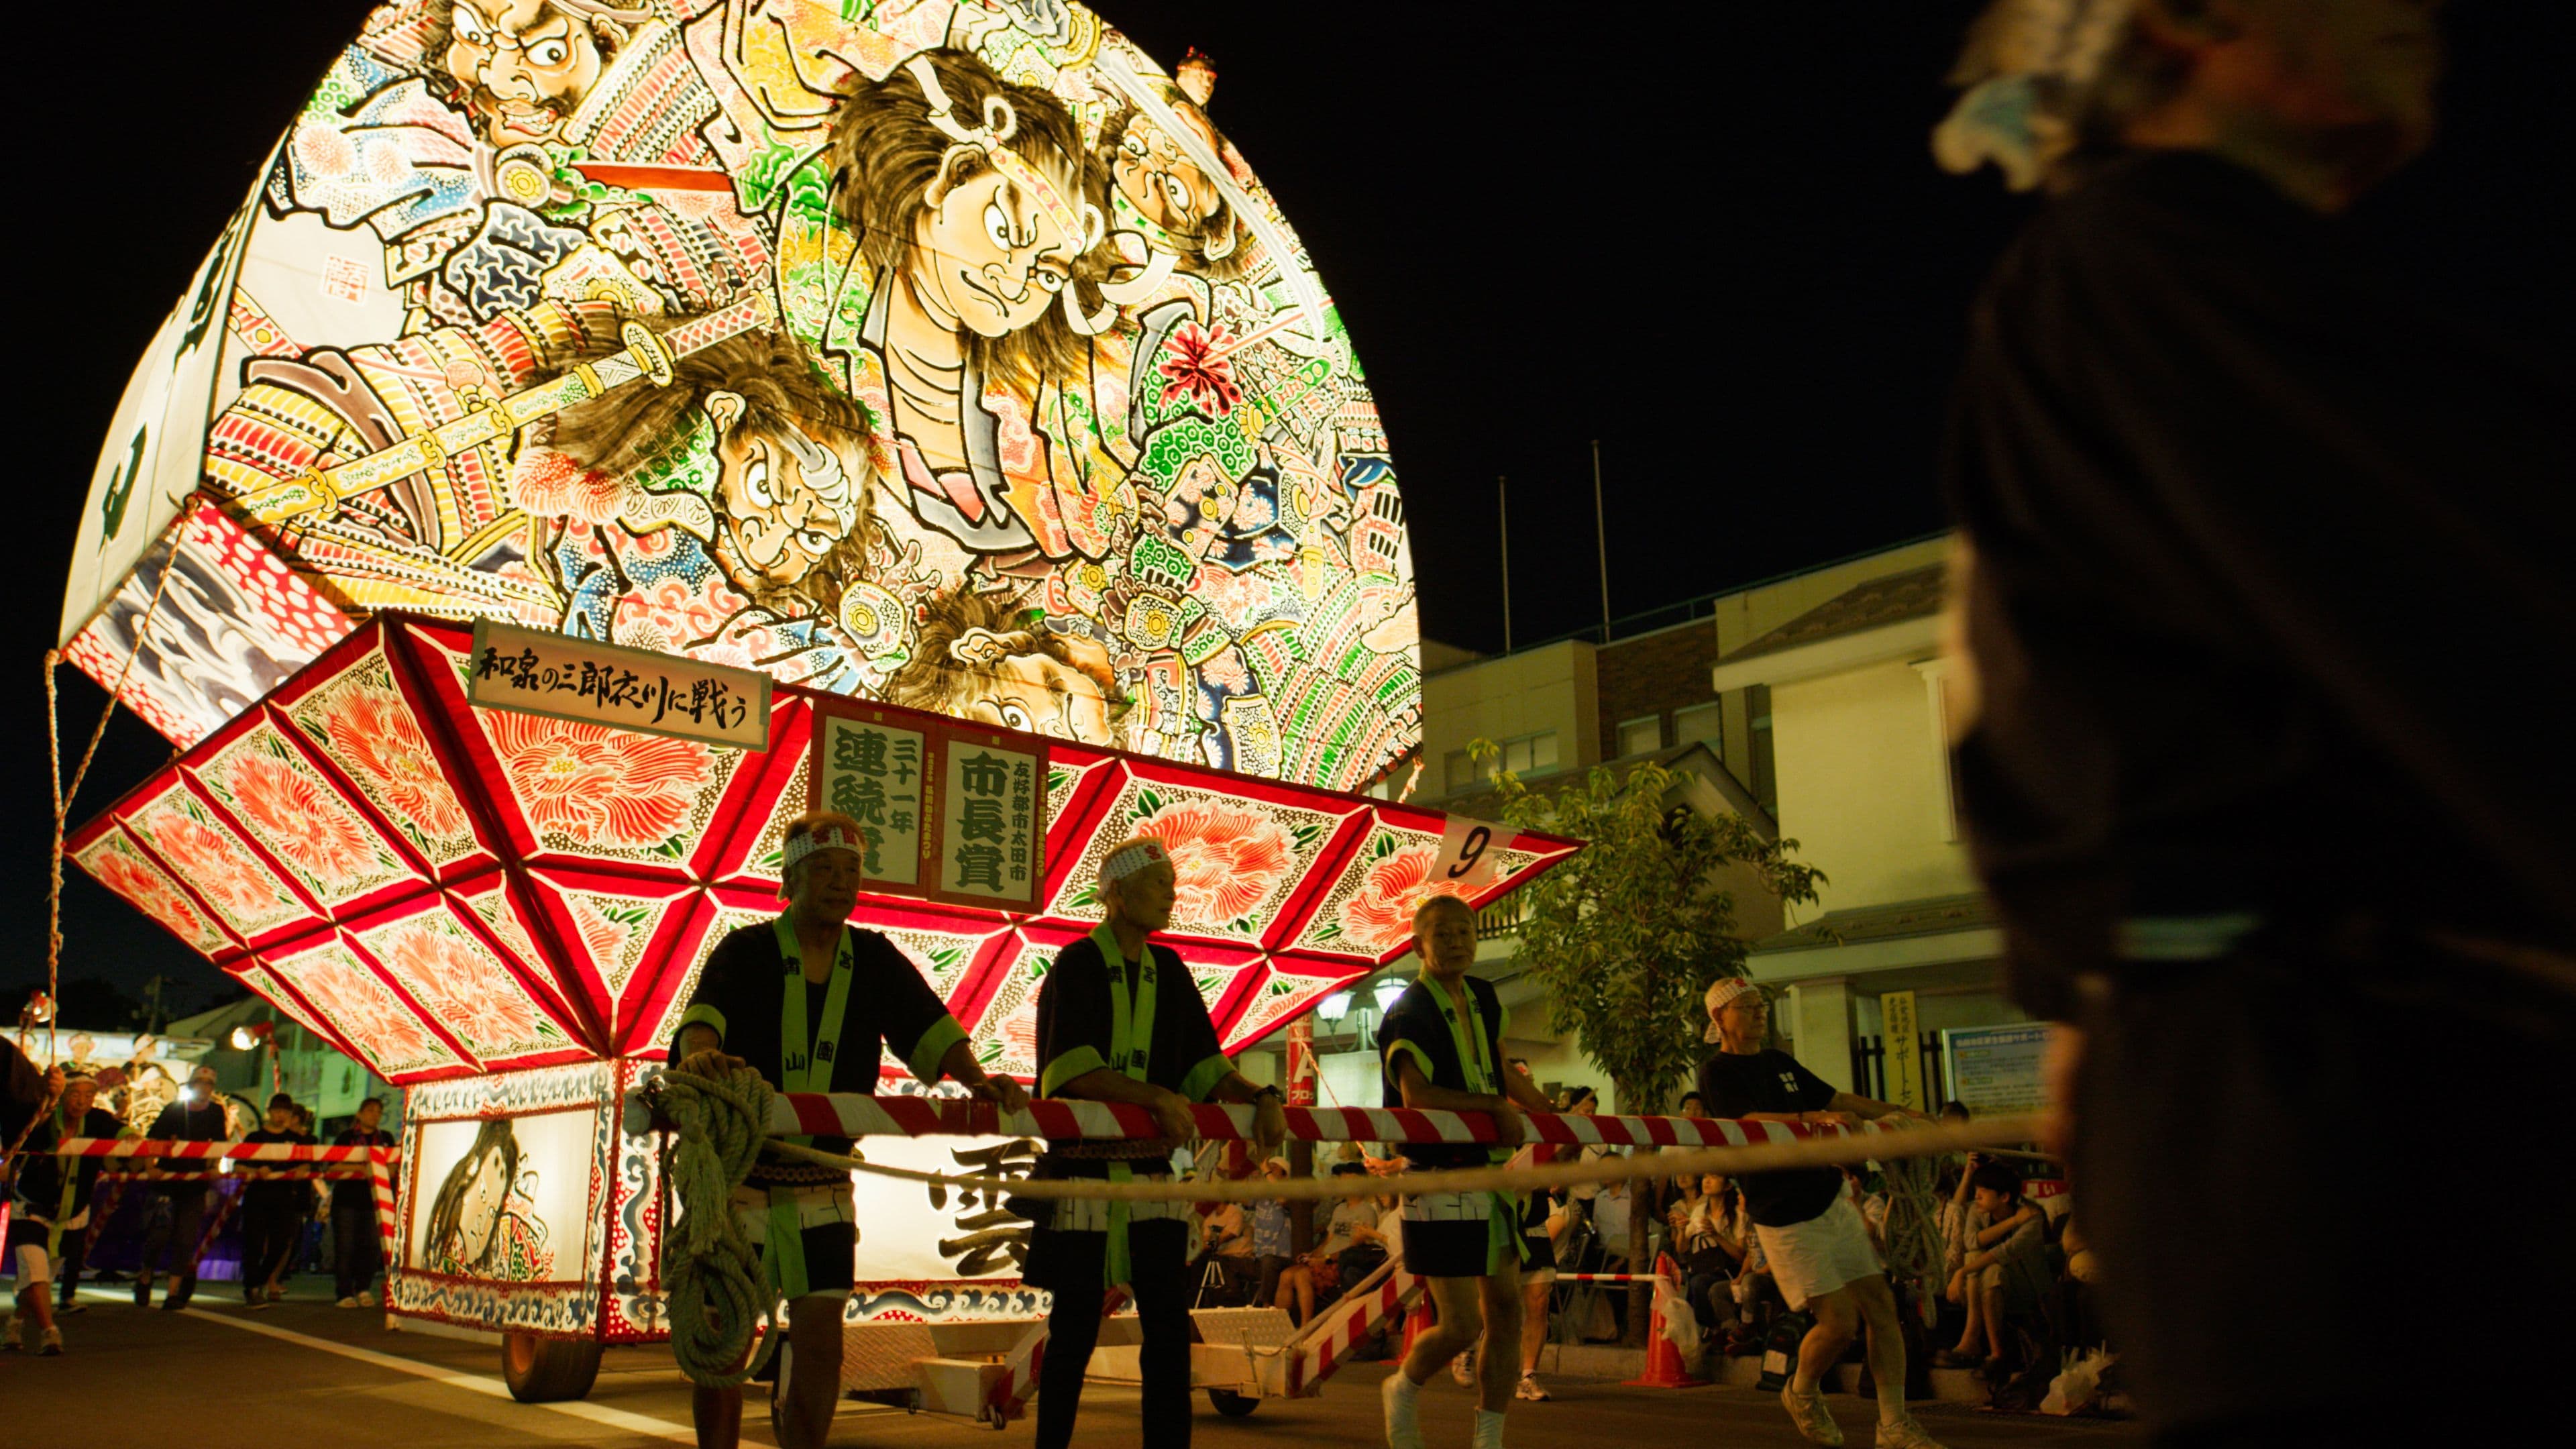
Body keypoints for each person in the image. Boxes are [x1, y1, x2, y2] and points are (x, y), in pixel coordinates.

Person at [1933, 3, 2573, 1444]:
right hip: (2383, 1153)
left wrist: (2091, 1002)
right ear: (2191, 18)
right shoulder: (2158, 261)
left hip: (2276, 1140)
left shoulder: (2114, 284)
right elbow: (2473, 626)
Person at [671, 810, 1028, 1449]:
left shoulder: (874, 958)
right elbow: (707, 1018)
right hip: (744, 1182)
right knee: (724, 1344)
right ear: (790, 877)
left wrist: (977, 1080)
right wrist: (700, 1053)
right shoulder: (746, 950)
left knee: (820, 1345)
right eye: (824, 869)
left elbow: (926, 1024)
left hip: (825, 1186)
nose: (841, 882)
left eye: (852, 870)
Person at [1022, 837, 1287, 1449]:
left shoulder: (1168, 969)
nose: (1172, 894)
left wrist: (1258, 1097)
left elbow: (1204, 1065)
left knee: (1168, 1330)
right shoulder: (1077, 963)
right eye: (1159, 882)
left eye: (1173, 883)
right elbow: (1070, 1070)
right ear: (1115, 893)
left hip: (1151, 1176)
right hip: (1085, 1175)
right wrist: (1156, 1097)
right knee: (1074, 1330)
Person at [1698, 977, 1943, 1448]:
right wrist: (1806, 1120)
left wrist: (1902, 1114)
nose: (1759, 1014)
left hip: (1828, 1197)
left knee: (1881, 1308)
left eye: (1762, 1006)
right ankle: (1801, 1390)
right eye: (1747, 1007)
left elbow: (1839, 1101)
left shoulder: (1780, 1063)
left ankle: (1893, 1425)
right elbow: (1745, 1123)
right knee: (1839, 1323)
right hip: (1781, 1213)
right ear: (1719, 1019)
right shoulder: (1718, 1073)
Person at [1379, 894, 1559, 1449]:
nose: (1457, 941)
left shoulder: (1483, 995)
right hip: (1437, 1176)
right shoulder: (1407, 1011)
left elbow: (1500, 1068)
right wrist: (1494, 1108)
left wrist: (1548, 1114)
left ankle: (1490, 1435)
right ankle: (1403, 1388)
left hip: (1491, 1176)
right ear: (1419, 945)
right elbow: (1417, 1094)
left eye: (1465, 931)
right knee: (1460, 1324)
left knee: (1504, 1310)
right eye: (1443, 933)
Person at [6, 1069, 121, 1354]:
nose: (81, 1102)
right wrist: (49, 1100)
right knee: (36, 1275)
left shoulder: (98, 1121)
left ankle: (14, 1323)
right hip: (31, 1207)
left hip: (71, 1214)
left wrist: (133, 1139)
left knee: (40, 1281)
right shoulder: (42, 1117)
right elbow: (26, 1135)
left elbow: (122, 1131)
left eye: (88, 1095)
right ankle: (50, 1333)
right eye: (74, 1094)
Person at [1933, 1163, 2049, 1374]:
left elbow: (2006, 1251)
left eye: (1983, 1192)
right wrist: (2013, 1221)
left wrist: (1962, 1272)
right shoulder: (1979, 1212)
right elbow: (1970, 1241)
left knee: (1988, 1266)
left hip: (2027, 1291)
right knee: (1982, 1262)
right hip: (1988, 1289)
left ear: (2004, 1197)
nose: (1976, 1197)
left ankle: (1971, 1340)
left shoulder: (2032, 1216)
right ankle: (1995, 1352)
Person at [136, 1063, 230, 1310]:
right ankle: (146, 1275)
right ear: (191, 1085)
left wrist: (213, 1167)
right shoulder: (174, 1111)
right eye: (200, 1083)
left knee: (185, 1238)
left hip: (195, 1183)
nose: (204, 1089)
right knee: (159, 1235)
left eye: (209, 1085)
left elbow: (219, 1145)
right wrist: (150, 1167)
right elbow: (152, 1140)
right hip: (167, 1181)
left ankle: (173, 1292)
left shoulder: (216, 1113)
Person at [238, 1094, 307, 1307]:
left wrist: (300, 1171)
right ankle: (252, 1288)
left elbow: (306, 1166)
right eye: (277, 1111)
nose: (281, 1115)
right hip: (257, 1197)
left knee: (280, 1245)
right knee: (254, 1244)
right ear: (269, 1112)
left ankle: (258, 1281)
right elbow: (239, 1167)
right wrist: (257, 1170)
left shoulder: (296, 1140)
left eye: (286, 1112)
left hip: (285, 1198)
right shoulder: (255, 1137)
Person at [332, 1097, 394, 1307]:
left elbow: (394, 1166)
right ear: (359, 1114)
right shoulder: (346, 1137)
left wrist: (379, 1170)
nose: (374, 1115)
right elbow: (332, 1166)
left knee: (372, 1246)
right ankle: (344, 1292)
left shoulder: (385, 1138)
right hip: (346, 1200)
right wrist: (360, 1169)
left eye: (378, 1111)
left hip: (374, 1202)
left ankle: (364, 1288)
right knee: (345, 1246)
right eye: (370, 1111)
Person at [1248, 1159, 1293, 1309]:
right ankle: (1231, 1301)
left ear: (1284, 1174)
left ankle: (1266, 1307)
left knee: (1269, 1263)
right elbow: (1243, 1198)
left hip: (1280, 1255)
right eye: (1268, 1168)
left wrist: (1266, 1172)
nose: (1269, 1171)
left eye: (1274, 1168)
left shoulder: (1290, 1191)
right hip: (1257, 1254)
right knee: (1226, 1262)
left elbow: (1282, 1199)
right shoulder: (1263, 1193)